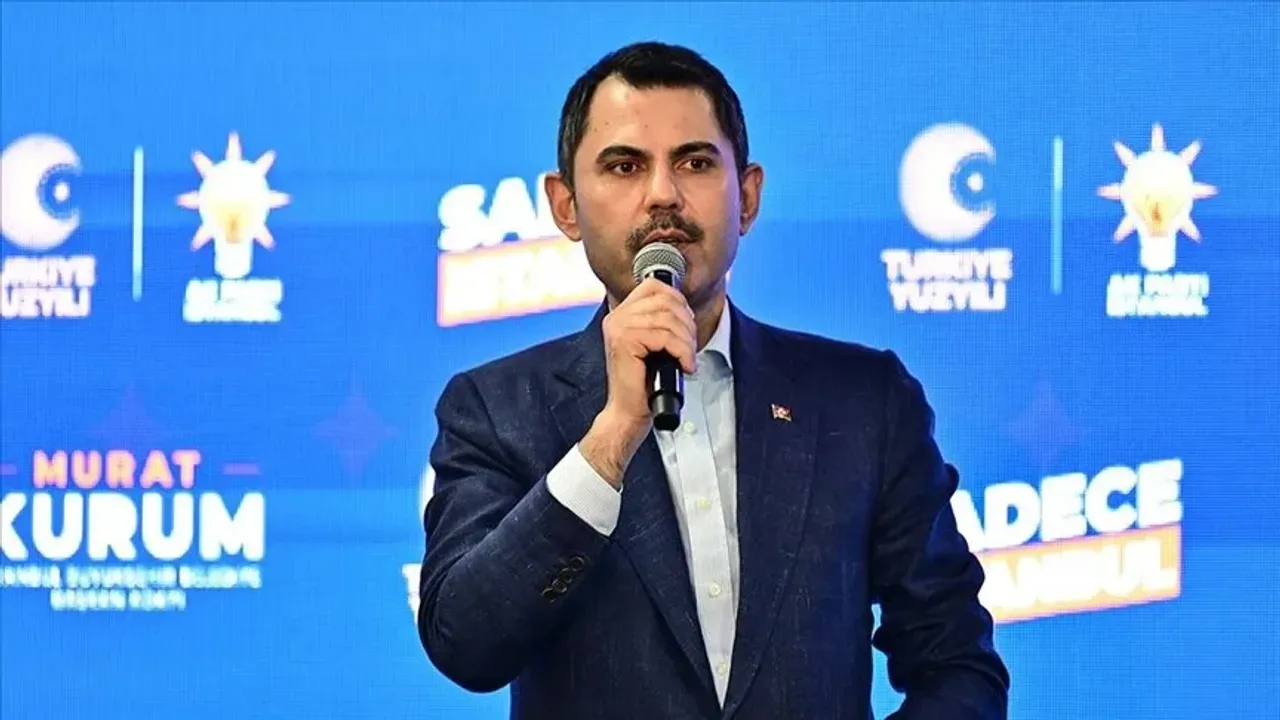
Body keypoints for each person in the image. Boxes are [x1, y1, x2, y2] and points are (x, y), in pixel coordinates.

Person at [416, 41, 1010, 720]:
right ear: (566, 206)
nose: (662, 195)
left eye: (695, 162)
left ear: (747, 197)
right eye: (624, 166)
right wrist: (610, 439)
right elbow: (466, 643)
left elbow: (955, 663)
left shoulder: (864, 402)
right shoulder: (496, 409)